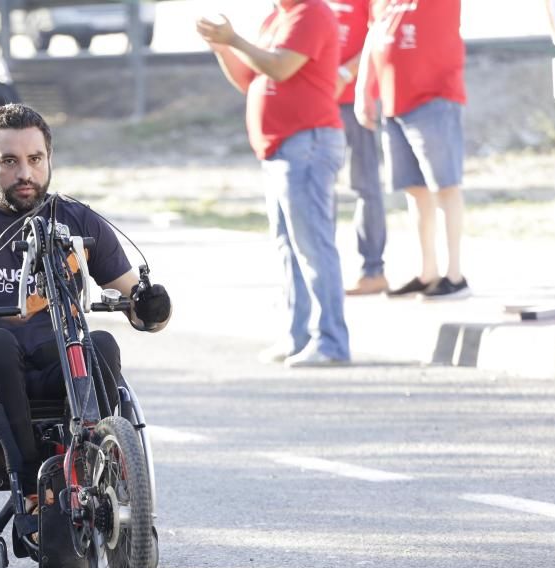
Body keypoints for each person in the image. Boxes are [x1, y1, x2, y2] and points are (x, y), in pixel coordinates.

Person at [0, 103, 171, 500]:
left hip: (58, 368)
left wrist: (153, 308)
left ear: (49, 158)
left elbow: (140, 307)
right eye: (10, 161)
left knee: (103, 345)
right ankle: (34, 488)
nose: (25, 173)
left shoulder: (76, 220)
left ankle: (108, 483)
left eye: (35, 159)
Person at [196, 2, 350, 368]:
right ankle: (298, 336)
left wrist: (235, 39)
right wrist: (224, 48)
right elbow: (251, 79)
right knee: (289, 247)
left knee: (313, 245)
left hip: (307, 143)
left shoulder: (310, 12)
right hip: (281, 146)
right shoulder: (277, 17)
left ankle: (331, 340)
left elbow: (280, 68)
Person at [355, 0, 470, 300]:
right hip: (394, 101)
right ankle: (427, 271)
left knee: (445, 185)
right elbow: (374, 33)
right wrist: (364, 88)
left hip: (434, 98)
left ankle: (455, 275)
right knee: (415, 190)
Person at [331, 0, 388, 296]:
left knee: (365, 186)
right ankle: (320, 276)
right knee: (319, 190)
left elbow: (378, 33)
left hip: (352, 102)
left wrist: (345, 74)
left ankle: (373, 270)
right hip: (316, 104)